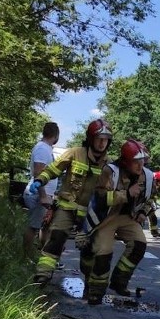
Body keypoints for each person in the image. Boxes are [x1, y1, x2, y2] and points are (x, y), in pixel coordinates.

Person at [28, 118, 114, 285]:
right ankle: (42, 276)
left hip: (90, 214)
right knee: (56, 239)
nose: (102, 143)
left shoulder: (109, 164)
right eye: (99, 139)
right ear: (91, 138)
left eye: (106, 140)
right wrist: (40, 180)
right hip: (67, 208)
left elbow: (110, 191)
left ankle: (89, 279)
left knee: (90, 249)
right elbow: (53, 170)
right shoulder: (74, 153)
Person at [82, 139, 155, 305]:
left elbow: (150, 198)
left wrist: (143, 212)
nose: (140, 165)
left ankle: (119, 282)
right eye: (136, 162)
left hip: (128, 217)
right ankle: (95, 291)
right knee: (104, 251)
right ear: (125, 161)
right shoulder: (110, 171)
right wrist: (126, 194)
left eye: (142, 161)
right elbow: (99, 198)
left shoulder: (148, 176)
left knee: (139, 244)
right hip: (106, 218)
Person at [22, 122, 60, 261]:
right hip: (38, 195)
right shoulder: (42, 149)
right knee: (34, 227)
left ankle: (42, 256)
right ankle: (27, 258)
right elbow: (39, 172)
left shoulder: (46, 148)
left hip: (43, 194)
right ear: (56, 135)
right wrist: (44, 196)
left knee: (44, 227)